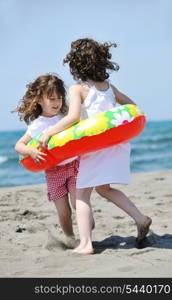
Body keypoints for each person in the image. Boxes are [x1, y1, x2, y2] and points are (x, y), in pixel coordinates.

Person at [39, 39, 152, 254]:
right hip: (114, 147)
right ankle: (140, 218)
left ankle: (85, 244)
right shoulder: (109, 87)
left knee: (82, 194)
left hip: (94, 149)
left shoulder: (78, 89)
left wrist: (50, 131)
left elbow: (72, 118)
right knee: (104, 189)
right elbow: (132, 107)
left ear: (75, 64)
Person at [13, 73, 80, 247]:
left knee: (78, 202)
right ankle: (70, 238)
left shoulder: (65, 116)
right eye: (51, 98)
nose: (57, 102)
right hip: (53, 172)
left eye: (59, 98)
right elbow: (18, 145)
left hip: (73, 165)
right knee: (63, 210)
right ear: (39, 100)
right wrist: (31, 152)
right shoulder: (37, 125)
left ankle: (86, 226)